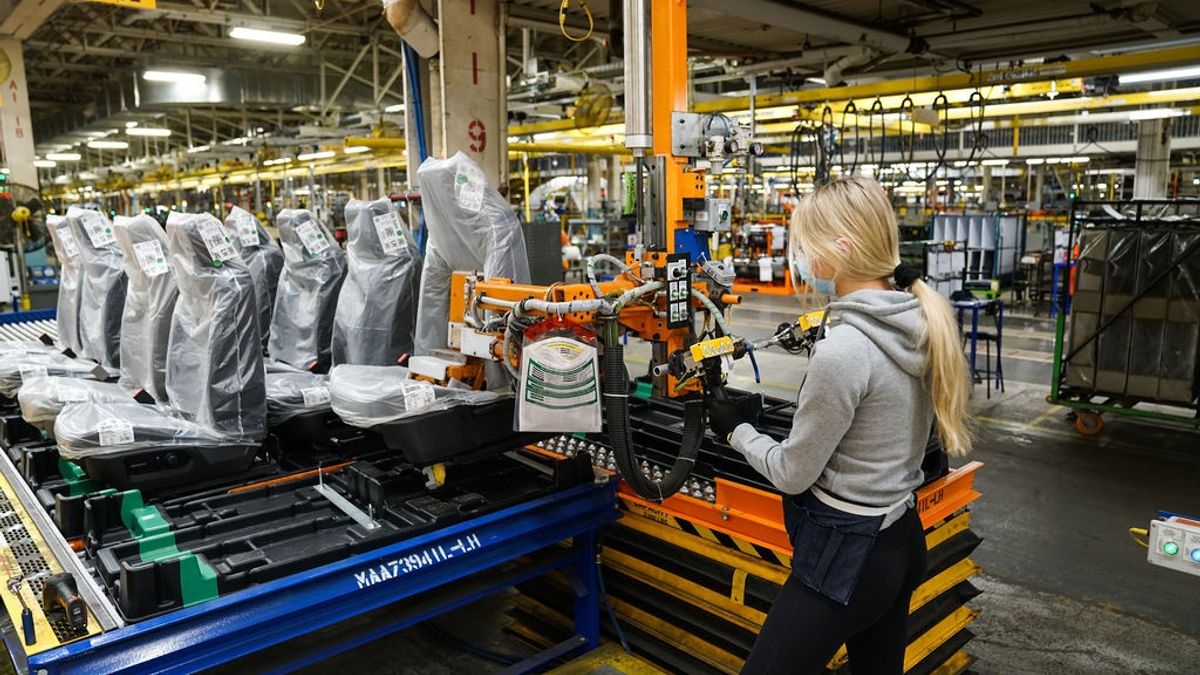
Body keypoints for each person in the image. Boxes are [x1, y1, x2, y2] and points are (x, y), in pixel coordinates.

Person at [706, 176, 972, 675]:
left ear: (841, 249)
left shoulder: (844, 351)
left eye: (805, 245)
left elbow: (791, 474)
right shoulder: (917, 320)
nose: (801, 258)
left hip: (845, 557)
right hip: (899, 539)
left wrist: (735, 429)